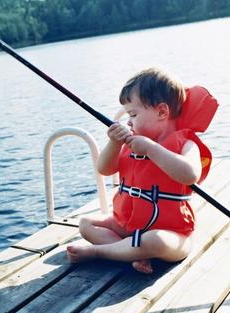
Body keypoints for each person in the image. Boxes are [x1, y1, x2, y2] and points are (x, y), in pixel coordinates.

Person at [66, 68, 217, 274]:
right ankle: (132, 253)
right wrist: (114, 143)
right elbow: (104, 169)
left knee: (155, 240)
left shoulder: (186, 144)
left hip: (172, 233)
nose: (128, 121)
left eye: (133, 114)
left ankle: (100, 252)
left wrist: (150, 148)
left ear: (162, 112)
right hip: (129, 224)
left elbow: (190, 174)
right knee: (86, 224)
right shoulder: (130, 143)